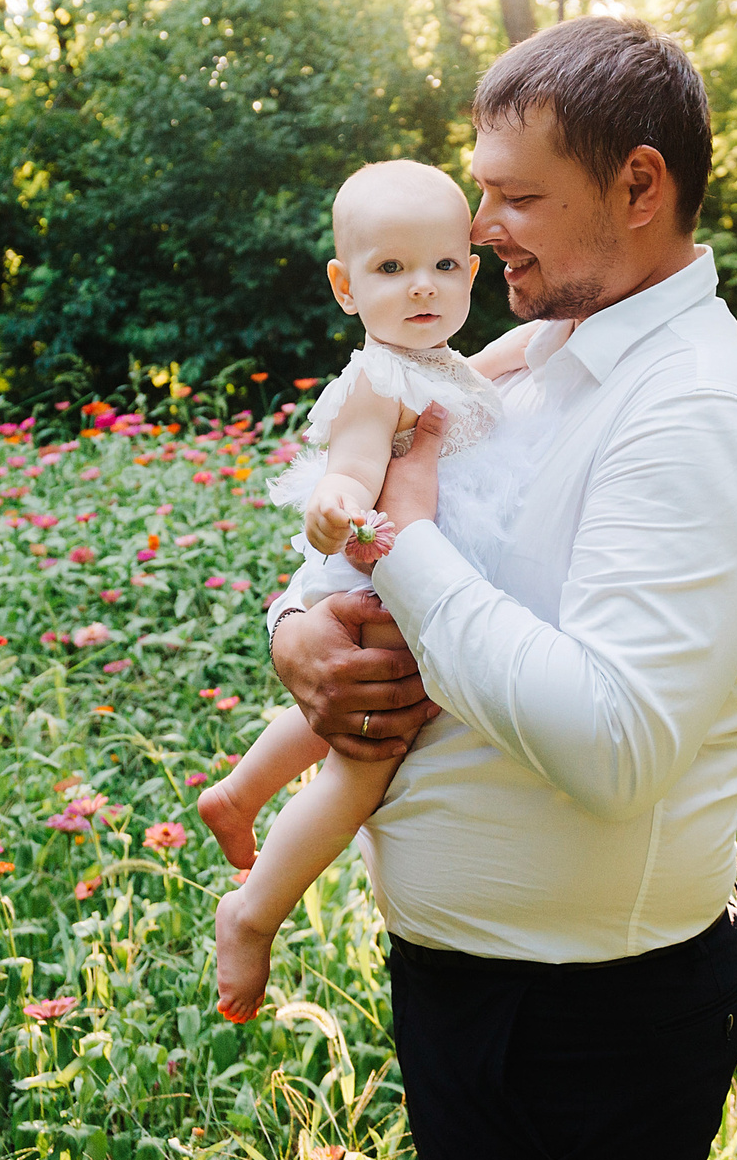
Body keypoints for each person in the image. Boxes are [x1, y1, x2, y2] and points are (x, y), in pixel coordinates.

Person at [261, 14, 737, 1160]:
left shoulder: (703, 410)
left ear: (638, 184)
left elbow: (613, 745)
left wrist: (398, 541)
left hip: (587, 1028)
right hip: (476, 991)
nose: (478, 227)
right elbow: (375, 542)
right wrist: (300, 636)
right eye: (483, 190)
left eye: (516, 196)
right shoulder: (527, 368)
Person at [199, 159, 537, 1020]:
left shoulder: (441, 365)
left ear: (471, 272)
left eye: (444, 264)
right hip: (376, 567)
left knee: (358, 705)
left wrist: (553, 337)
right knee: (368, 754)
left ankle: (239, 792)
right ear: (345, 287)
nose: (422, 285)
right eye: (391, 268)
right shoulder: (378, 381)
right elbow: (350, 464)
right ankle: (253, 910)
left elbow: (495, 363)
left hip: (406, 572)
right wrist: (338, 505)